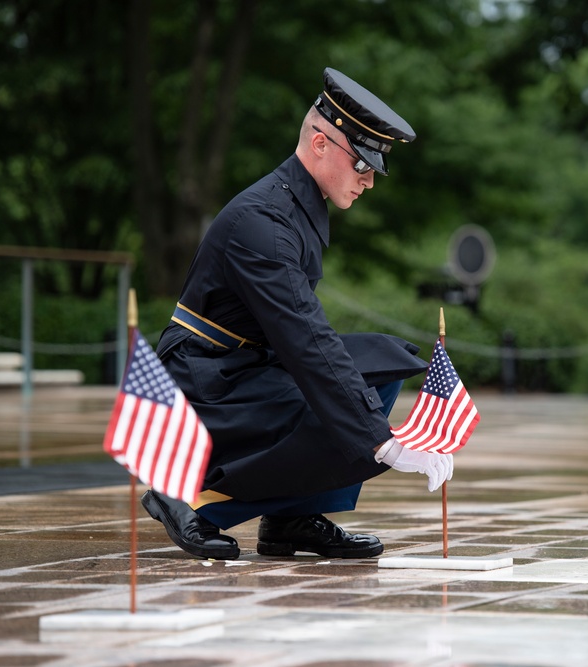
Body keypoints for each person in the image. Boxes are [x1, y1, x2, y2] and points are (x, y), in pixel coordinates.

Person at [141, 68, 454, 561]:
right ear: (320, 142)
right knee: (340, 406)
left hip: (243, 367)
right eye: (362, 164)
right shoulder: (262, 222)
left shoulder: (295, 206)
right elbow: (306, 340)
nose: (369, 180)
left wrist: (369, 425)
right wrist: (381, 442)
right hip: (204, 382)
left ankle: (291, 521)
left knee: (385, 361)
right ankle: (184, 493)